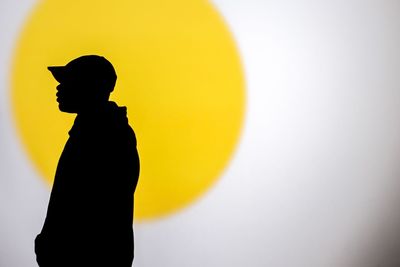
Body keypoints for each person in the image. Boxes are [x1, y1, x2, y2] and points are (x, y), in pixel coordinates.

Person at [34, 55, 140, 267]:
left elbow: (94, 207)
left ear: (89, 87)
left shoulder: (106, 135)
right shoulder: (91, 131)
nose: (59, 88)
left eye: (68, 81)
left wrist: (53, 245)